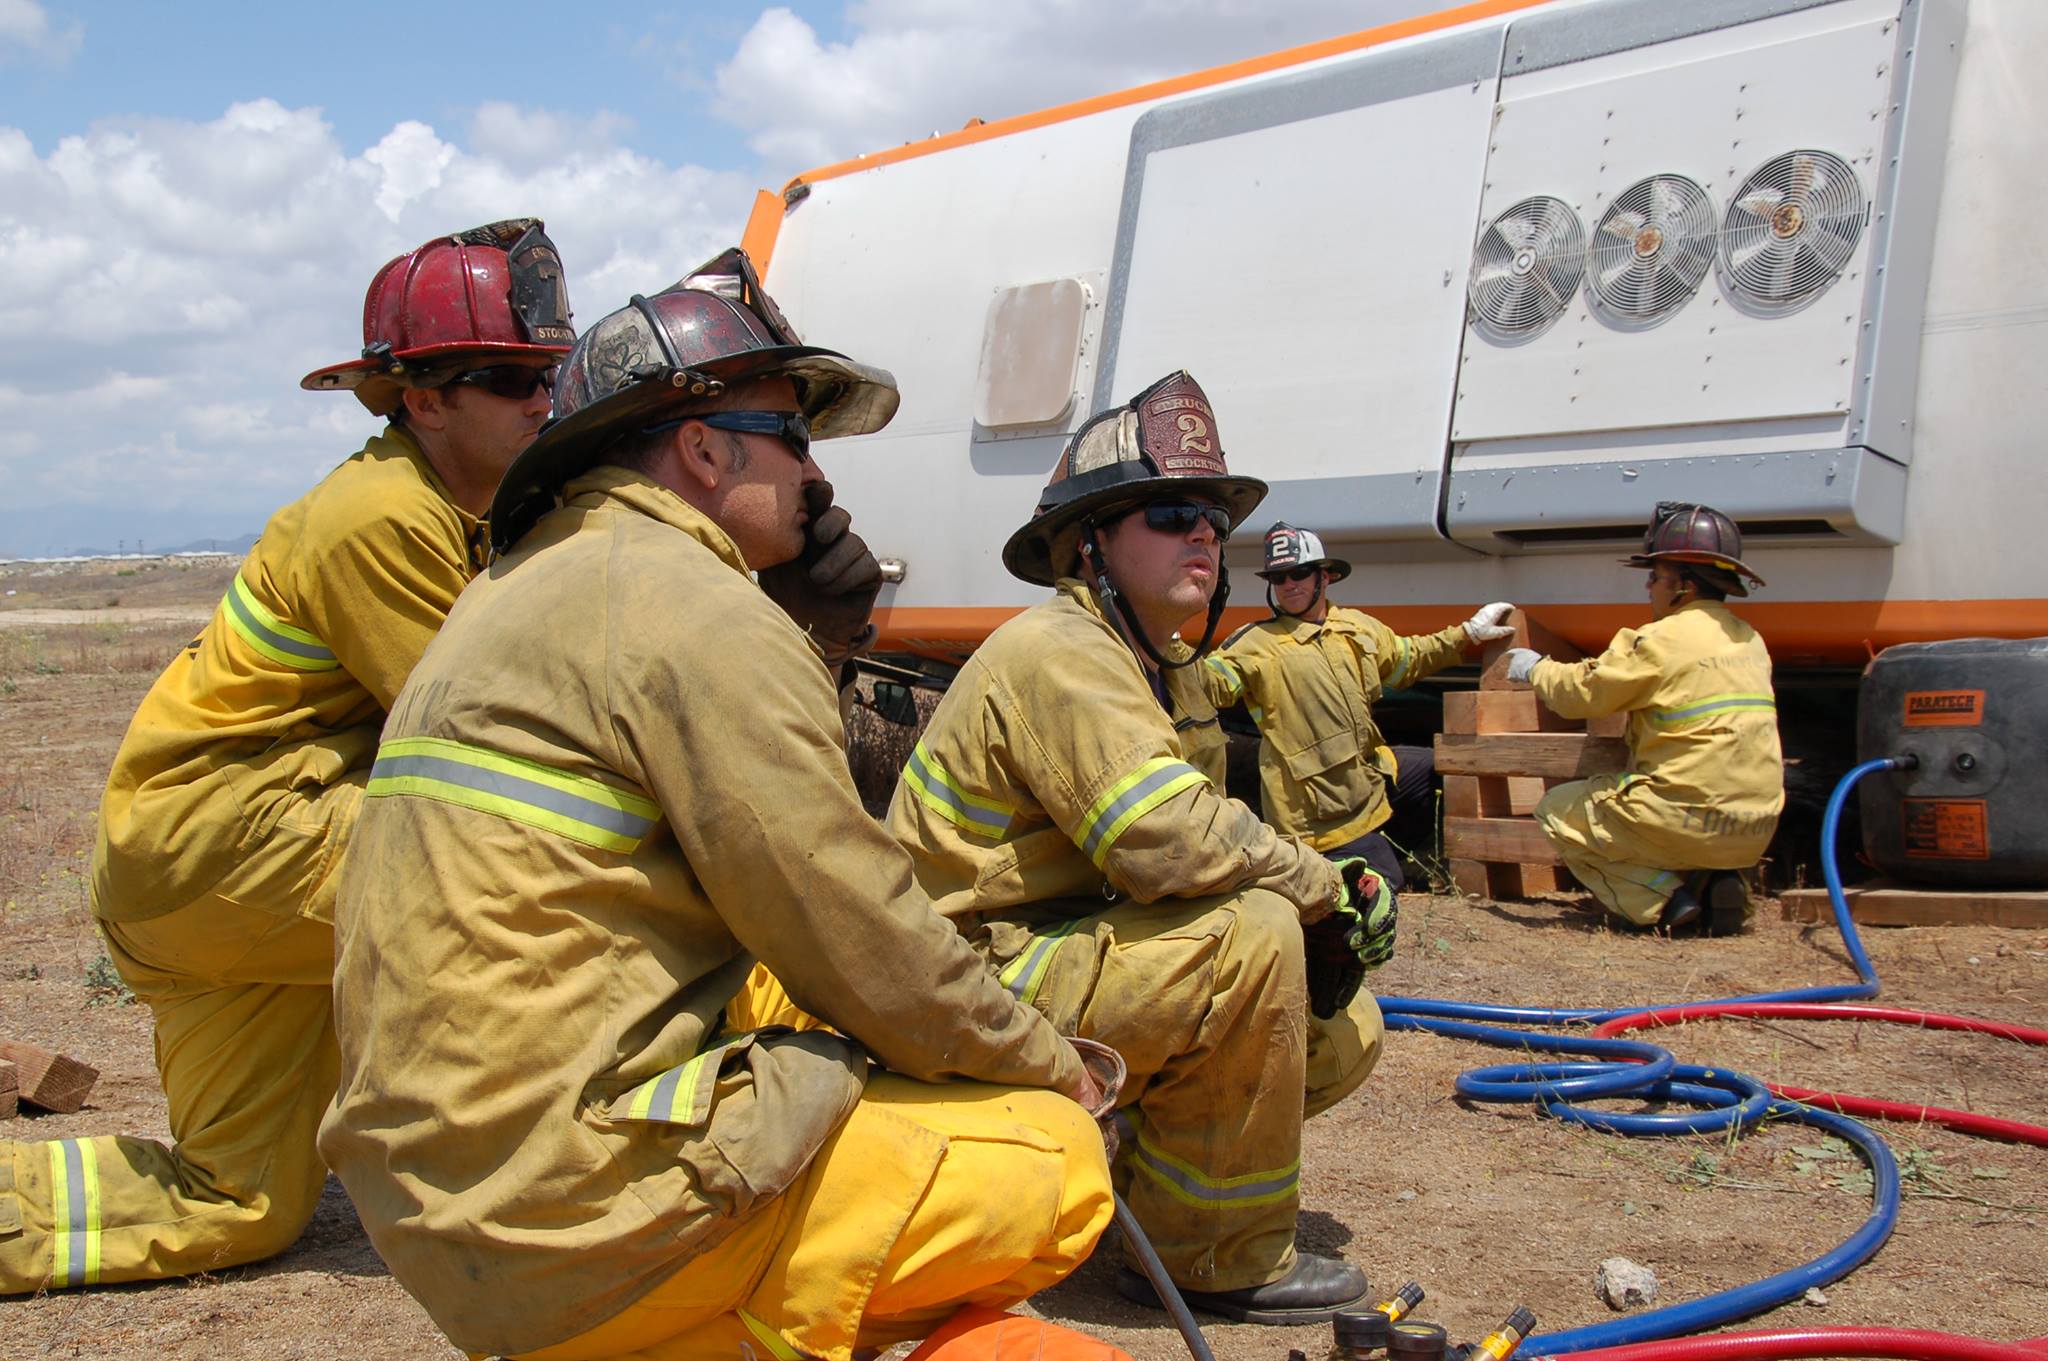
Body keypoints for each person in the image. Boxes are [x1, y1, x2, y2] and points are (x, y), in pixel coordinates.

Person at [317, 250, 1114, 1361]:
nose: (815, 481)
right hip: (576, 1217)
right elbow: (854, 926)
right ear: (699, 447)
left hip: (447, 1207)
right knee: (1047, 1159)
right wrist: (1049, 1061)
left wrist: (795, 635)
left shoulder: (518, 585)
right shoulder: (690, 607)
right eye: (792, 437)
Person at [0, 219, 575, 1294]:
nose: (541, 400)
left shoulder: (469, 512)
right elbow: (508, 739)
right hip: (241, 845)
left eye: (552, 375)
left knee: (239, 1205)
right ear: (420, 396)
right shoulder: (382, 515)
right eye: (506, 376)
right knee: (548, 861)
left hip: (202, 886)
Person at [885, 372, 1395, 1326]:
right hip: (964, 978)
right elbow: (1168, 838)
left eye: (1210, 516)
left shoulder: (1164, 667)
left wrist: (1320, 887)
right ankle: (1212, 1257)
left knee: (1342, 1031)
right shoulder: (1061, 651)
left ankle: (1144, 1201)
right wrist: (1321, 884)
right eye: (1170, 512)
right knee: (1256, 938)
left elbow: (1201, 829)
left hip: (1054, 950)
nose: (1203, 532)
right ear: (1091, 544)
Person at [1504, 502, 1784, 933]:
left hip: (1684, 821)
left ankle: (1667, 901)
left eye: (1655, 577)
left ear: (1683, 586)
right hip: (1755, 826)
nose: (1648, 588)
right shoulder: (1750, 640)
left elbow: (1583, 694)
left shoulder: (1661, 638)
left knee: (1558, 811)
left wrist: (1536, 668)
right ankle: (1722, 883)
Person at [1201, 522, 1515, 891]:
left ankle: (1405, 848)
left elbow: (1407, 659)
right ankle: (1346, 871)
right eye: (1279, 577)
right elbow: (1212, 685)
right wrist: (1169, 653)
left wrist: (1467, 635)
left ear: (1326, 576)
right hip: (1319, 816)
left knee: (1439, 766)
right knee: (1384, 886)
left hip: (1370, 778)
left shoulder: (1355, 626)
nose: (1289, 585)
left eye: (1298, 573)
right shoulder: (1255, 644)